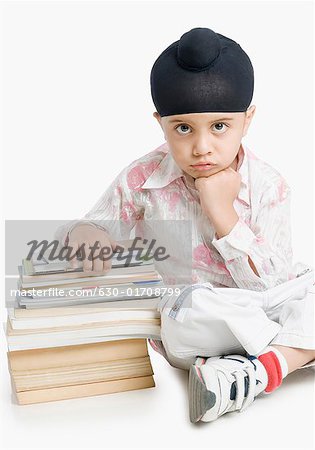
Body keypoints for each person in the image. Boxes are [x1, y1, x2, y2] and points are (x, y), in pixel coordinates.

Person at [55, 27, 315, 423]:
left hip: (262, 311)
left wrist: (223, 213)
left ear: (247, 120)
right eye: (183, 128)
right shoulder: (142, 180)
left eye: (219, 126)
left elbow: (273, 287)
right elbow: (89, 227)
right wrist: (86, 234)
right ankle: (289, 355)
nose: (202, 147)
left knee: (304, 286)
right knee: (195, 305)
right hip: (194, 324)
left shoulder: (270, 186)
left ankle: (252, 372)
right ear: (160, 123)